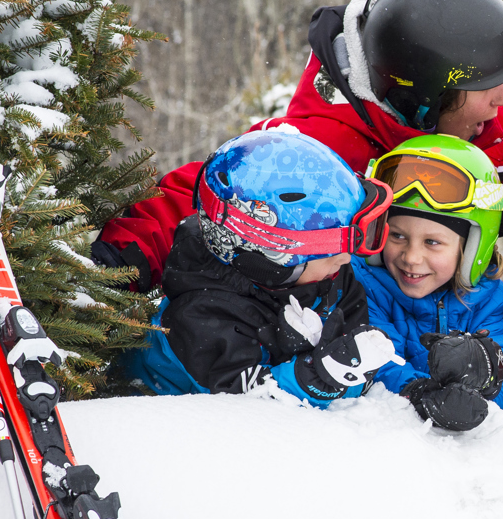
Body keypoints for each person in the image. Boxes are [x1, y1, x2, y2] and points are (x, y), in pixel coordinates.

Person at [95, 0, 503, 290]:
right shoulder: (324, 154)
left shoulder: (475, 122)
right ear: (424, 97)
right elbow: (207, 194)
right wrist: (117, 264)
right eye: (486, 85)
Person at [129, 130, 401, 408]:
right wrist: (313, 376)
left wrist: (352, 361)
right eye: (331, 252)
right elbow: (249, 406)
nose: (345, 259)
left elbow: (360, 349)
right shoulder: (200, 317)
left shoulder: (331, 277)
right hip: (174, 418)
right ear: (272, 261)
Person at [351, 135, 503, 431]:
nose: (411, 257)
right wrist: (421, 392)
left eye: (432, 242)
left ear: (472, 249)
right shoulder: (367, 287)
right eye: (397, 236)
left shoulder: (485, 300)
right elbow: (377, 362)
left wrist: (482, 376)